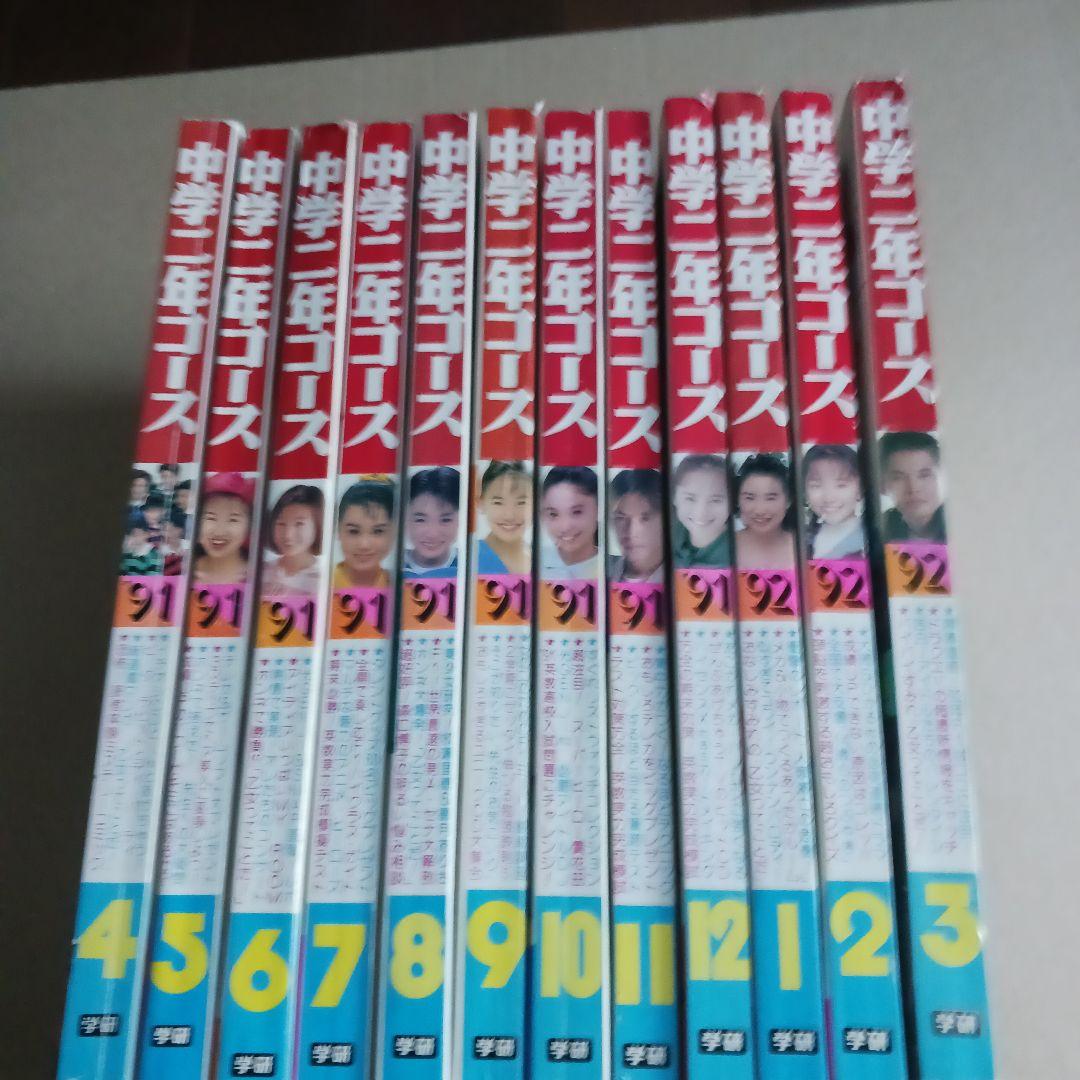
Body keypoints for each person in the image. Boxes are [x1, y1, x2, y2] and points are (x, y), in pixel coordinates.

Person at [880, 431, 947, 543]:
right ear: (882, 485)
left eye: (924, 475)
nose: (913, 488)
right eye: (898, 478)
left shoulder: (965, 523)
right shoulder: (876, 530)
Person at [733, 454, 797, 570]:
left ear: (788, 500)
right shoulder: (726, 547)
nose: (760, 510)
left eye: (770, 498)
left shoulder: (803, 547)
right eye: (750, 498)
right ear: (738, 499)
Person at [802, 444, 866, 559]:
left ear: (860, 489)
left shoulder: (872, 538)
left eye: (841, 485)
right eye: (816, 485)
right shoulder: (801, 541)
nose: (829, 498)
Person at [671, 453, 732, 569]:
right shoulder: (669, 534)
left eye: (715, 500)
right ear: (674, 497)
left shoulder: (741, 552)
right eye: (690, 498)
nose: (701, 512)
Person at [261, 485, 324, 596]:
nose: (288, 535)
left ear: (318, 525)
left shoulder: (325, 577)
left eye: (299, 524)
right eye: (281, 523)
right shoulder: (260, 571)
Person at [193, 472, 255, 584]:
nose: (219, 532)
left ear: (250, 525)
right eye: (211, 518)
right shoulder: (176, 569)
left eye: (233, 520)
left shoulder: (262, 579)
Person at [334, 478, 395, 589]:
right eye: (353, 531)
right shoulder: (319, 585)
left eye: (378, 531)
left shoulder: (402, 586)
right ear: (338, 529)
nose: (364, 545)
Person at [540, 466, 599, 579]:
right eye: (553, 514)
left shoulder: (615, 570)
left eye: (577, 512)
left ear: (598, 509)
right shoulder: (530, 564)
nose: (565, 526)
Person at [608, 469, 665, 582]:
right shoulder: (600, 575)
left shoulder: (686, 576)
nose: (631, 532)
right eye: (621, 518)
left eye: (645, 518)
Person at [475, 461, 532, 575]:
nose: (509, 516)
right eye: (498, 502)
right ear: (481, 503)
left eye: (521, 502)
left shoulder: (544, 562)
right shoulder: (467, 561)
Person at [403, 467, 460, 578]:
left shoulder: (473, 566)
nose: (433, 534)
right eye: (420, 520)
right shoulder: (390, 568)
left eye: (445, 520)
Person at [120, 511, 163, 575]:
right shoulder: (127, 553)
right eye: (130, 535)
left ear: (146, 534)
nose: (133, 539)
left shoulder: (153, 556)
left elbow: (152, 579)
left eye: (136, 534)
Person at [161, 509, 187, 576]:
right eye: (164, 530)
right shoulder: (160, 551)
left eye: (170, 530)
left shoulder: (189, 547)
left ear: (180, 530)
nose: (166, 534)